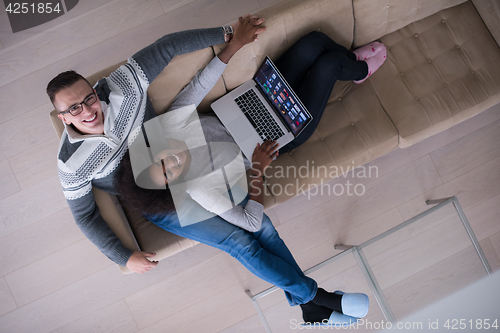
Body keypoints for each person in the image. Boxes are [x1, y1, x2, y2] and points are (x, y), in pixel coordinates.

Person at [115, 25, 387, 326]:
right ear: (174, 187)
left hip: (251, 100)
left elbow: (198, 85)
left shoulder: (168, 128)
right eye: (169, 174)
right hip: (273, 139)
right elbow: (251, 223)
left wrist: (233, 47)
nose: (171, 161)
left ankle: (311, 308)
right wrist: (257, 169)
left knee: (313, 43)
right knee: (329, 65)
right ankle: (359, 69)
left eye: (159, 160)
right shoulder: (198, 188)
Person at [46, 15, 266, 274]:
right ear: (62, 118)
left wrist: (227, 34)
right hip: (148, 197)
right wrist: (123, 256)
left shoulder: (122, 88)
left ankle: (311, 299)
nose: (87, 111)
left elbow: (166, 47)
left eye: (89, 98)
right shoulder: (71, 166)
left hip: (168, 151)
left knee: (263, 227)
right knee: (239, 241)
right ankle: (313, 299)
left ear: (95, 91)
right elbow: (84, 216)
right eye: (73, 109)